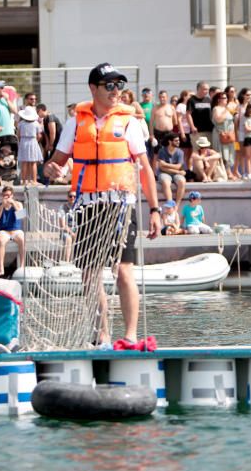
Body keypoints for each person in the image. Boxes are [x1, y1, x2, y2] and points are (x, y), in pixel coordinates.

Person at [43, 62, 162, 350]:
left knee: (123, 270)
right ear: (93, 89)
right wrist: (51, 170)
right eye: (109, 86)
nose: (115, 91)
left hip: (121, 204)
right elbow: (55, 163)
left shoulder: (130, 122)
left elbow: (144, 169)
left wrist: (156, 210)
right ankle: (102, 335)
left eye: (119, 85)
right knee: (90, 272)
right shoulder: (76, 122)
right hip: (88, 205)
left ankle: (131, 336)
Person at [0, 186, 26, 277]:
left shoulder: (18, 204)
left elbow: (22, 217)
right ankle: (1, 268)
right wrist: (2, 206)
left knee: (22, 239)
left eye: (9, 195)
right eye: (5, 195)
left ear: (12, 195)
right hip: (4, 231)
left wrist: (13, 204)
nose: (7, 197)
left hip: (16, 230)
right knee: (1, 241)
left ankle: (22, 266)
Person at [211, 91, 237, 179]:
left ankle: (229, 171)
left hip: (229, 134)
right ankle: (225, 172)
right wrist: (226, 110)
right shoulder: (216, 108)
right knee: (222, 153)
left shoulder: (228, 109)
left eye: (226, 98)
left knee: (230, 153)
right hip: (220, 134)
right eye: (224, 98)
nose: (226, 100)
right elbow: (218, 120)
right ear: (219, 100)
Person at [0, 82, 18, 157]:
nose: (2, 90)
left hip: (9, 133)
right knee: (1, 157)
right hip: (0, 134)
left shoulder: (4, 101)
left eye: (3, 88)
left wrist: (7, 100)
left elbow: (14, 111)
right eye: (1, 88)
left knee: (10, 157)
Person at [155, 132, 187, 204]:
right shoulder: (162, 151)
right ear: (170, 141)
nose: (178, 142)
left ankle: (177, 205)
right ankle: (170, 204)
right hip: (164, 173)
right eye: (176, 140)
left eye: (178, 140)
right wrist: (178, 171)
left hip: (175, 173)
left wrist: (165, 164)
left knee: (182, 182)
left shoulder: (180, 152)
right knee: (166, 182)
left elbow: (178, 166)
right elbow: (162, 168)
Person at [17, 105, 43, 185]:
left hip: (24, 142)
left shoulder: (21, 124)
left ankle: (24, 181)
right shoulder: (36, 124)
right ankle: (34, 180)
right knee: (33, 162)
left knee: (24, 162)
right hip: (33, 141)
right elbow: (39, 135)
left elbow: (18, 134)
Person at [185, 81, 214, 148]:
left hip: (209, 130)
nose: (207, 91)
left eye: (207, 89)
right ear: (199, 89)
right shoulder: (192, 100)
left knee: (208, 150)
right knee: (198, 150)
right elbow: (188, 114)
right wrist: (192, 127)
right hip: (197, 131)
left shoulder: (209, 100)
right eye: (205, 89)